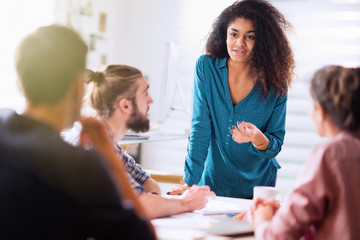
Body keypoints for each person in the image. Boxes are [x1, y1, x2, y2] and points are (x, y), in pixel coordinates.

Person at [0, 25, 154, 239]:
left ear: (19, 83)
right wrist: (107, 156)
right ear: (77, 86)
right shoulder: (80, 166)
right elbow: (140, 236)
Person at [168, 0, 295, 198]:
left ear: (262, 42)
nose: (239, 43)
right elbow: (200, 128)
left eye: (250, 37)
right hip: (212, 183)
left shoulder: (276, 86)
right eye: (234, 34)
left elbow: (275, 144)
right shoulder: (206, 69)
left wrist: (256, 137)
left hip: (258, 187)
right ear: (224, 35)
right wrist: (190, 182)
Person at [65, 64, 214, 219]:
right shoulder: (93, 144)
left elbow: (147, 183)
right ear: (126, 105)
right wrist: (186, 203)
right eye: (145, 94)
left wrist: (152, 202)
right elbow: (139, 204)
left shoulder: (107, 141)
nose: (151, 101)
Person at [252, 65, 360, 239]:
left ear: (322, 112)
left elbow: (276, 237)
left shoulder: (330, 155)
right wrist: (287, 215)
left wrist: (262, 220)